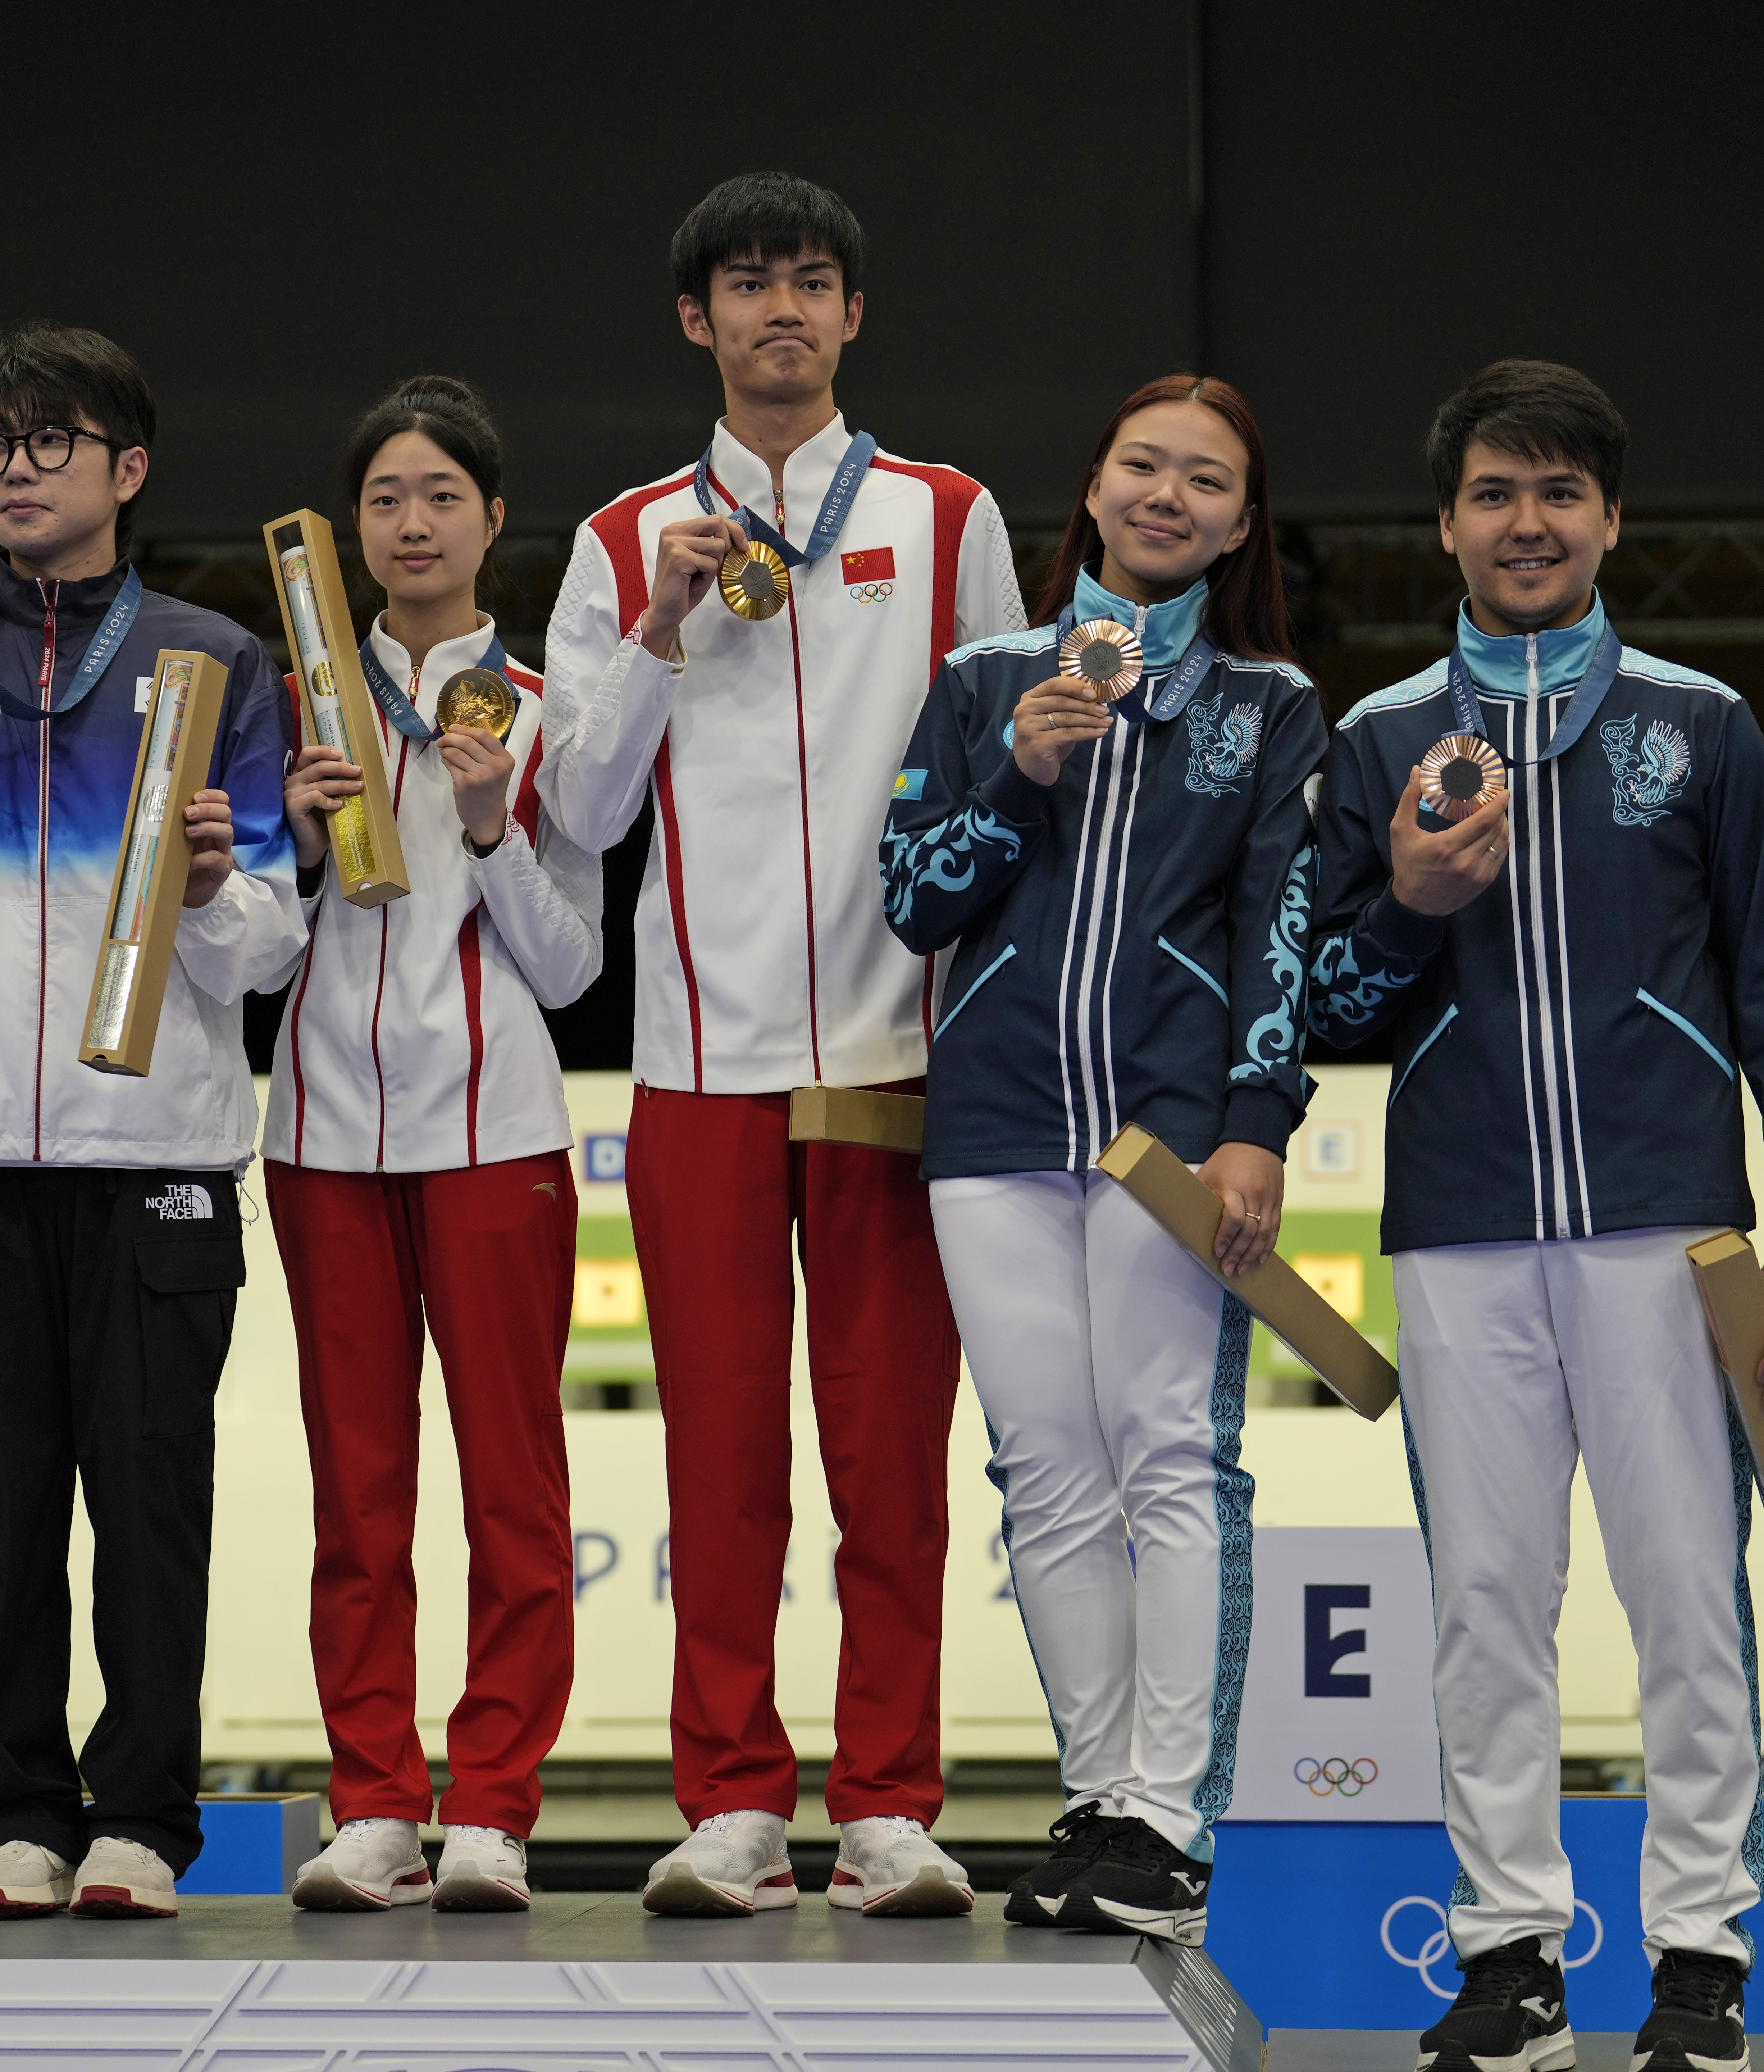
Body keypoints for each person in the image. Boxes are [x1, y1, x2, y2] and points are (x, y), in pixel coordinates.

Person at [1308, 360, 1764, 2072]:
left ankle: (1700, 1961)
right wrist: (1404, 901)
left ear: (1611, 520)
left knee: (1691, 1593)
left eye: (1559, 492)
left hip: (1670, 1233)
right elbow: (1317, 1001)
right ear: (1448, 525)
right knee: (1485, 1602)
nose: (1526, 522)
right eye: (1493, 492)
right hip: (1460, 1234)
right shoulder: (1382, 739)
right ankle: (1511, 1960)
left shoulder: (1700, 723)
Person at [539, 170, 1027, 1917]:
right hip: (700, 1062)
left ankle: (890, 1799)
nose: (782, 313)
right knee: (721, 1456)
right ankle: (735, 1801)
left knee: (893, 1454)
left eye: (813, 284)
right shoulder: (615, 544)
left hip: (903, 1052)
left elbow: (1008, 783)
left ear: (854, 315)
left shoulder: (948, 512)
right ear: (698, 321)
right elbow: (577, 811)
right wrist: (664, 629)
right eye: (748, 288)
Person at [0, 321, 301, 1931]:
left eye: (53, 441)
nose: (20, 470)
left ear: (128, 468)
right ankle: (14, 1816)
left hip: (156, 1154)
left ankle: (145, 1821)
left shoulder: (214, 661)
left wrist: (224, 887)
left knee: (152, 1502)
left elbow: (274, 945)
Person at [882, 374, 1323, 1944]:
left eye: (1206, 481)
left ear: (1240, 525)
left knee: (1172, 1456)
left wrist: (1256, 1125)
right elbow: (915, 898)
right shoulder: (984, 677)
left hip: (1165, 1136)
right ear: (1093, 484)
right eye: (1145, 464)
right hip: (994, 1125)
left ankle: (1170, 1819)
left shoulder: (1272, 707)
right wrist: (1021, 767)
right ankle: (1096, 1796)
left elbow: (1279, 932)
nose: (1169, 496)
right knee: (1045, 1471)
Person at [263, 377, 602, 1914]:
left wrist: (487, 826)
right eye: (386, 498)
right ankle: (373, 1802)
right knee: (358, 1488)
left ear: (492, 521)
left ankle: (495, 1807)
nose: (412, 523)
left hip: (499, 1135)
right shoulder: (288, 710)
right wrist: (280, 843)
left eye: (441, 496)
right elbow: (250, 962)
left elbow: (576, 968)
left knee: (515, 1493)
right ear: (350, 532)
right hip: (320, 1138)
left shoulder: (547, 713)